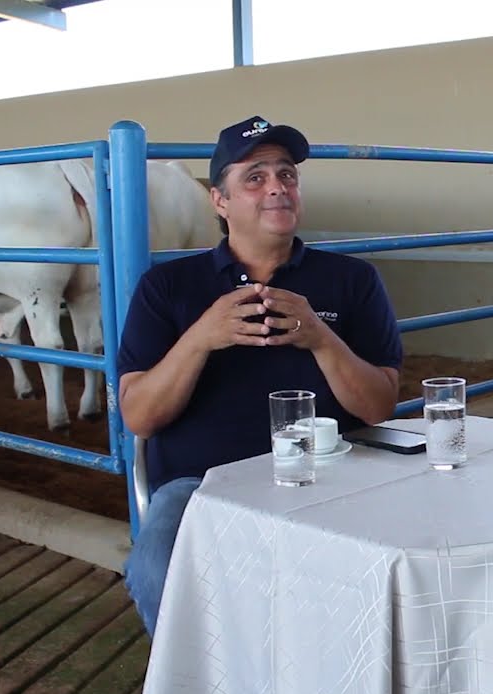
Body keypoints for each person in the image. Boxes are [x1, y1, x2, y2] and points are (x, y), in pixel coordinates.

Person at [117, 116, 403, 635]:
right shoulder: (168, 287)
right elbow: (139, 415)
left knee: (386, 571)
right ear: (219, 201)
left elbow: (379, 406)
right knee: (155, 570)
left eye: (288, 175)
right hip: (197, 487)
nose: (277, 187)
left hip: (331, 477)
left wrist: (320, 335)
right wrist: (202, 336)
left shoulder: (352, 280)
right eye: (255, 177)